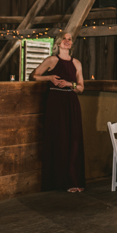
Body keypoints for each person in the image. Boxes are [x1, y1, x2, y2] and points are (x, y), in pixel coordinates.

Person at [32, 32, 86, 193]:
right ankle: (59, 182)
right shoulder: (51, 60)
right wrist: (49, 78)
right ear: (58, 43)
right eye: (64, 39)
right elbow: (34, 76)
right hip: (55, 102)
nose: (67, 41)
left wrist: (71, 84)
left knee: (74, 140)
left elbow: (81, 88)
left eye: (69, 39)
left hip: (71, 102)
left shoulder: (76, 63)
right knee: (59, 139)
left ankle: (74, 181)